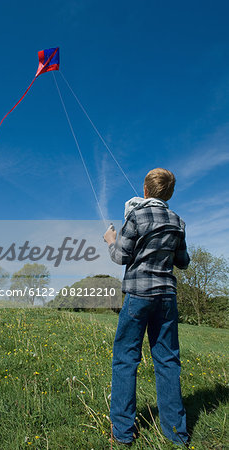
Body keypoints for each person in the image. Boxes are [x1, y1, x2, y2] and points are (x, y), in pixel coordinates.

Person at [104, 168, 190, 447]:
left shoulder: (136, 216)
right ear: (170, 193)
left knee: (126, 359)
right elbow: (183, 261)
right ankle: (177, 434)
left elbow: (120, 256)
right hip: (166, 297)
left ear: (145, 190)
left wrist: (110, 241)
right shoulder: (178, 221)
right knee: (167, 361)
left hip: (139, 296)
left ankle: (123, 432)